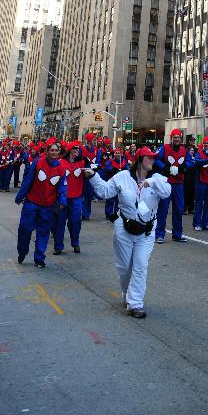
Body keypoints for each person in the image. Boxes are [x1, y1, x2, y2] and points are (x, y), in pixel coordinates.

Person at [84, 147, 170, 318]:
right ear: (139, 160)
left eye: (153, 158)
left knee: (140, 265)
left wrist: (150, 183)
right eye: (148, 158)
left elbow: (167, 191)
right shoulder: (123, 176)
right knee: (124, 268)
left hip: (146, 231)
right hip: (124, 228)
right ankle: (126, 294)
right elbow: (105, 191)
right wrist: (93, 177)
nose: (152, 161)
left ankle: (135, 304)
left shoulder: (158, 179)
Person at [15, 140, 66, 267]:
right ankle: (22, 251)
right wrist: (20, 196)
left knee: (43, 232)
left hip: (48, 206)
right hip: (32, 202)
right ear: (47, 151)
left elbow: (62, 187)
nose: (54, 152)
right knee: (25, 228)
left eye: (56, 150)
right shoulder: (38, 162)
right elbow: (28, 179)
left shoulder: (61, 169)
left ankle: (39, 257)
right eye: (52, 150)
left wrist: (62, 202)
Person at [154, 129, 192, 243]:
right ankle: (159, 234)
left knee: (179, 209)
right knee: (163, 209)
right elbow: (156, 159)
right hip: (167, 182)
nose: (176, 139)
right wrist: (165, 168)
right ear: (171, 138)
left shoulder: (184, 150)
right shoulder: (165, 148)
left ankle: (177, 234)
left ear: (180, 139)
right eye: (174, 137)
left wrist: (183, 167)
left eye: (178, 137)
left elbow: (191, 162)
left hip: (179, 183)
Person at [53, 141, 89, 255]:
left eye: (78, 149)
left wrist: (89, 173)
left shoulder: (83, 161)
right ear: (70, 150)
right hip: (63, 197)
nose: (77, 151)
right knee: (59, 223)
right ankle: (58, 246)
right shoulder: (61, 162)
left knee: (75, 221)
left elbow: (89, 175)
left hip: (76, 197)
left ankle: (75, 242)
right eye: (75, 149)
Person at [81, 132, 99, 220]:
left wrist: (96, 167)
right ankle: (80, 212)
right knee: (81, 195)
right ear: (89, 141)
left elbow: (98, 162)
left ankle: (86, 213)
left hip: (91, 175)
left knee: (89, 195)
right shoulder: (82, 149)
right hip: (82, 176)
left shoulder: (96, 150)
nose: (96, 141)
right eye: (94, 140)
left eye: (96, 140)